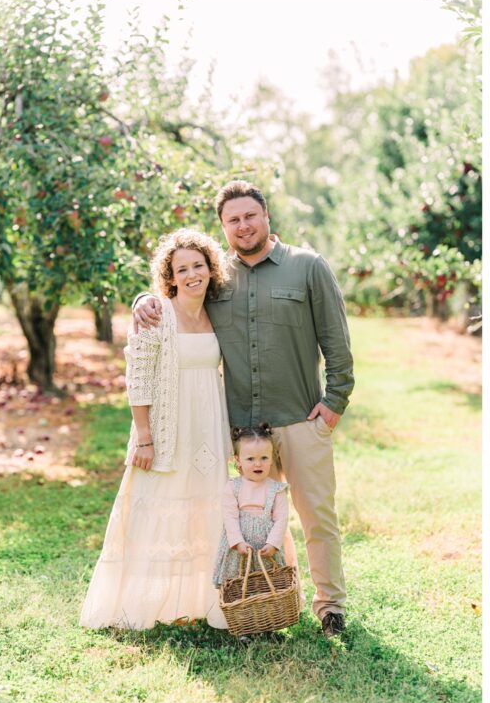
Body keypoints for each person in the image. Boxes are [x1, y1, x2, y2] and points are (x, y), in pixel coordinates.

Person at [133, 180, 354, 638]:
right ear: (223, 227)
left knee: (316, 516)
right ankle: (258, 603)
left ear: (266, 215)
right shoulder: (216, 279)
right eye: (232, 220)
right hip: (240, 431)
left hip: (300, 419)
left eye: (250, 215)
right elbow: (176, 297)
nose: (243, 225)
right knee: (247, 520)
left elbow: (337, 340)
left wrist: (334, 402)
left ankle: (329, 605)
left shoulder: (307, 267)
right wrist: (143, 301)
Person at [80, 229, 231, 631]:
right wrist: (144, 436)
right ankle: (143, 605)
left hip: (208, 430)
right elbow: (139, 378)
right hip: (166, 431)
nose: (192, 274)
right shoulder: (156, 315)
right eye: (182, 269)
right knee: (158, 508)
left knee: (208, 509)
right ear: (170, 276)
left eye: (198, 265)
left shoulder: (218, 312)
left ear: (211, 268)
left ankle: (205, 601)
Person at [211, 424, 289, 588]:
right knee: (239, 583)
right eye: (250, 459)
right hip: (239, 547)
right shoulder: (233, 487)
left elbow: (281, 519)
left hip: (266, 548)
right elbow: (230, 518)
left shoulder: (277, 489)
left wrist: (274, 543)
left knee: (267, 583)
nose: (258, 464)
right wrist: (238, 542)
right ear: (238, 461)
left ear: (272, 459)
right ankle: (241, 610)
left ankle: (267, 610)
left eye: (264, 458)